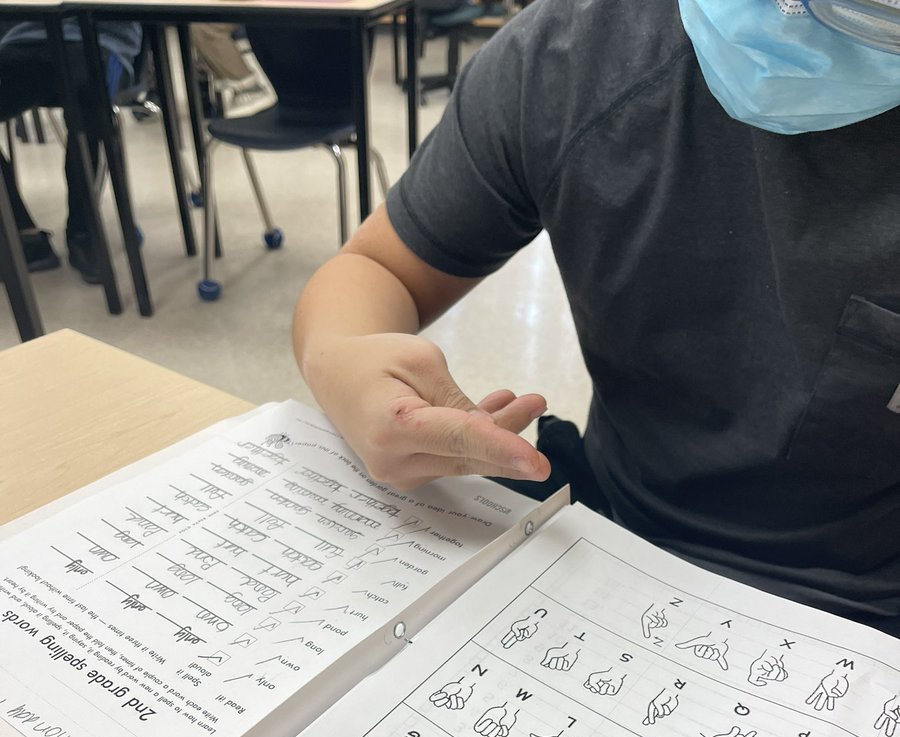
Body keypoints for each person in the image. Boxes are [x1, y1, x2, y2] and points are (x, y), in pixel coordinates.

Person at [292, 0, 900, 638]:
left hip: (866, 605)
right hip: (616, 526)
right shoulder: (574, 56)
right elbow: (380, 267)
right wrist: (344, 360)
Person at [0, 19, 142, 283]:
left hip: (100, 36)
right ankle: (22, 233)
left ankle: (83, 230)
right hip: (23, 38)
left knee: (89, 100)